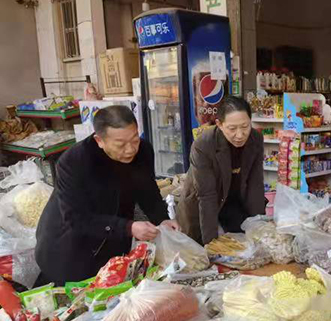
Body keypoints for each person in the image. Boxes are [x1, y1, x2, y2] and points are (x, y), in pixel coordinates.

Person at [35, 106, 179, 286]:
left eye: (134, 139)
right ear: (99, 140)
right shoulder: (74, 162)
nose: (130, 150)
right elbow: (75, 218)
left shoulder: (143, 151)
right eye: (120, 144)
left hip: (112, 239)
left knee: (114, 289)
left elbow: (148, 192)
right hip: (69, 246)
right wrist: (128, 227)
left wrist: (163, 219)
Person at [177, 96, 265, 245]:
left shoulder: (255, 139)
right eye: (232, 128)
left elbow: (255, 185)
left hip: (232, 202)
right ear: (219, 124)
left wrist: (260, 228)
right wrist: (211, 246)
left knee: (245, 246)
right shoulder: (203, 145)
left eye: (245, 126)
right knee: (203, 254)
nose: (240, 135)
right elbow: (207, 196)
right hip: (202, 206)